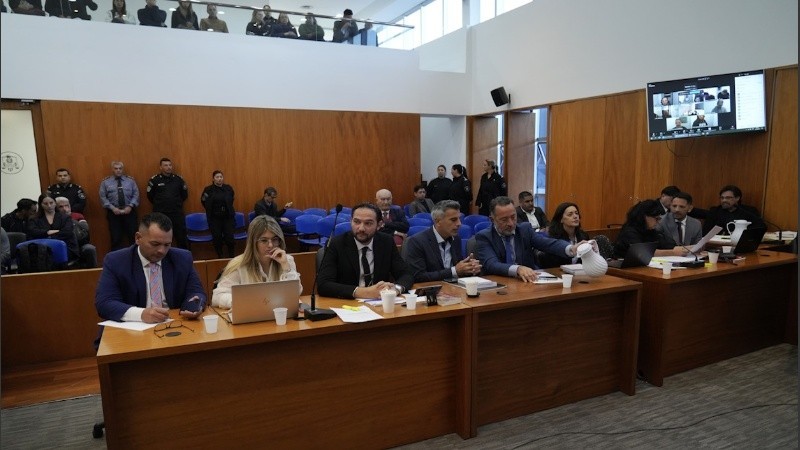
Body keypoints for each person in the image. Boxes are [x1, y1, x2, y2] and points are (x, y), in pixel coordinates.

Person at [95, 212, 205, 327]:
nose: (162, 251)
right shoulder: (116, 261)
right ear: (138, 238)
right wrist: (141, 314)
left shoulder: (182, 258)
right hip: (133, 329)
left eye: (167, 245)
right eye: (155, 244)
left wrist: (195, 304)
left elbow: (196, 292)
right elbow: (104, 303)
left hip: (173, 325)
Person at [317, 203, 413, 299]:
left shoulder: (386, 242)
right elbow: (323, 284)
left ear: (379, 225)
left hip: (379, 302)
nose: (361, 228)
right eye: (356, 222)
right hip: (348, 302)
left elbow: (406, 274)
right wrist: (364, 292)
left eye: (368, 223)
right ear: (351, 221)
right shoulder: (336, 244)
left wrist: (396, 289)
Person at [475, 196, 582, 282]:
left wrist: (570, 248)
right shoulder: (484, 237)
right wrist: (518, 269)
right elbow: (492, 264)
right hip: (499, 284)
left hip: (527, 282)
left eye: (513, 217)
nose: (511, 223)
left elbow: (546, 243)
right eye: (504, 220)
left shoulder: (524, 230)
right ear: (492, 219)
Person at [212, 215, 301, 309]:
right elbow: (217, 296)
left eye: (275, 239)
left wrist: (286, 267)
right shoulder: (239, 264)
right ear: (253, 243)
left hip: (280, 315)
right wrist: (244, 303)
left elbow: (296, 293)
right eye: (264, 240)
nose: (270, 245)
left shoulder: (286, 260)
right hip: (249, 315)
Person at [401, 200, 481, 282]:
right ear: (438, 221)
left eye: (459, 219)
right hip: (431, 288)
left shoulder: (456, 239)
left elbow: (458, 270)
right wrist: (454, 271)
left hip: (453, 287)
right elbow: (418, 276)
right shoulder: (416, 242)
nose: (459, 223)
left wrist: (469, 268)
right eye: (453, 220)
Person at [613, 199, 686, 258]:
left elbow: (667, 245)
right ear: (644, 217)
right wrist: (673, 252)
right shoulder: (629, 232)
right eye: (656, 218)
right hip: (624, 268)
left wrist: (685, 249)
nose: (658, 222)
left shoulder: (650, 230)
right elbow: (643, 253)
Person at [147, 158, 189, 249]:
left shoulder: (178, 179)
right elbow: (150, 196)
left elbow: (184, 195)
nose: (169, 167)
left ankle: (184, 255)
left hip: (176, 213)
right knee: (159, 237)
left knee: (181, 237)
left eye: (170, 165)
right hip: (161, 214)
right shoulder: (155, 180)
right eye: (166, 165)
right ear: (161, 167)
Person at [26, 193, 80, 263]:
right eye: (45, 204)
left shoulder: (65, 217)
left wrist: (47, 235)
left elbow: (67, 232)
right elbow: (32, 232)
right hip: (42, 248)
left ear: (55, 203)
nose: (49, 206)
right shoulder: (34, 219)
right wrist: (47, 232)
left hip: (65, 246)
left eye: (51, 203)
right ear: (41, 205)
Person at [99, 161, 139, 251]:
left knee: (133, 236)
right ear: (112, 170)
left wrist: (130, 206)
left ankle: (135, 255)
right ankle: (116, 257)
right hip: (113, 213)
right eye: (116, 168)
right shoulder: (105, 182)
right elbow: (103, 197)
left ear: (123, 169)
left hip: (130, 212)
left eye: (120, 168)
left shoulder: (130, 181)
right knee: (116, 238)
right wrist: (112, 208)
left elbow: (136, 194)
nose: (118, 170)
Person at [201, 170, 235, 259]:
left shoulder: (228, 188)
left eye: (221, 177)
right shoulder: (208, 190)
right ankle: (220, 257)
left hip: (227, 217)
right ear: (213, 179)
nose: (219, 179)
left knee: (230, 239)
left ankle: (232, 257)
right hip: (215, 219)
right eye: (217, 177)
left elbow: (232, 199)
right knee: (217, 239)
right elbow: (203, 201)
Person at [56, 196, 97, 268]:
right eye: (61, 207)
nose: (65, 209)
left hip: (79, 244)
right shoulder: (54, 218)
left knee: (90, 248)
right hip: (63, 246)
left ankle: (93, 272)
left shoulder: (78, 216)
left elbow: (85, 231)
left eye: (66, 206)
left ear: (70, 206)